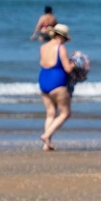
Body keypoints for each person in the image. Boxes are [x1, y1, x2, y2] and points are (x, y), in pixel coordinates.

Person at [37, 22, 74, 151]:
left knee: (50, 113)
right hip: (57, 82)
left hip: (43, 80)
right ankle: (46, 136)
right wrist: (74, 65)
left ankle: (46, 145)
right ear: (63, 36)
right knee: (65, 113)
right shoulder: (61, 48)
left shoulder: (43, 47)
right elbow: (67, 69)